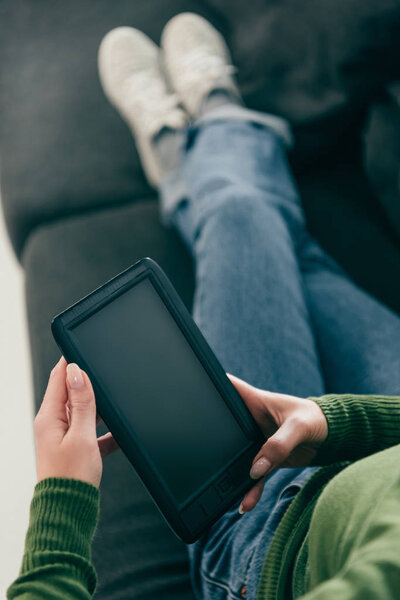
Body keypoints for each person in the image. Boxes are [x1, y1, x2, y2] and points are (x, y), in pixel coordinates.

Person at [8, 13, 400, 600]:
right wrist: (339, 423)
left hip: (271, 537)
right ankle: (203, 141)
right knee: (294, 255)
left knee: (241, 215)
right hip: (377, 448)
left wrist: (64, 501)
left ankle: (200, 136)